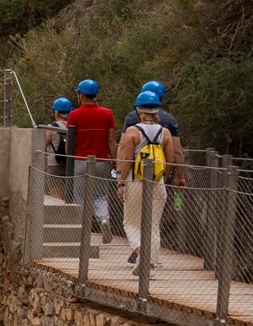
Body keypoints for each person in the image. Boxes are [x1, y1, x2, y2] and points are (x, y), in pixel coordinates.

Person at [115, 90, 180, 269]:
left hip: (135, 180)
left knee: (130, 223)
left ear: (139, 110)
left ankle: (140, 252)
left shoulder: (132, 132)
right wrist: (163, 177)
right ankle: (150, 263)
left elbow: (127, 159)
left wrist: (120, 182)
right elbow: (171, 159)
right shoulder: (165, 132)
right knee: (153, 225)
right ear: (156, 111)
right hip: (157, 182)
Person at [67, 79, 116, 246]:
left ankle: (82, 231)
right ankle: (103, 219)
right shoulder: (107, 114)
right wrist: (114, 161)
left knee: (79, 197)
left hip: (80, 160)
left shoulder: (74, 115)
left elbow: (70, 141)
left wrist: (69, 159)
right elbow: (111, 140)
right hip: (102, 160)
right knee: (100, 195)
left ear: (81, 95)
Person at [48, 96, 75, 201]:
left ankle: (59, 216)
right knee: (69, 195)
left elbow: (43, 144)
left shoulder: (51, 127)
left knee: (56, 196)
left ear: (56, 112)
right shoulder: (72, 126)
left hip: (54, 164)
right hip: (70, 164)